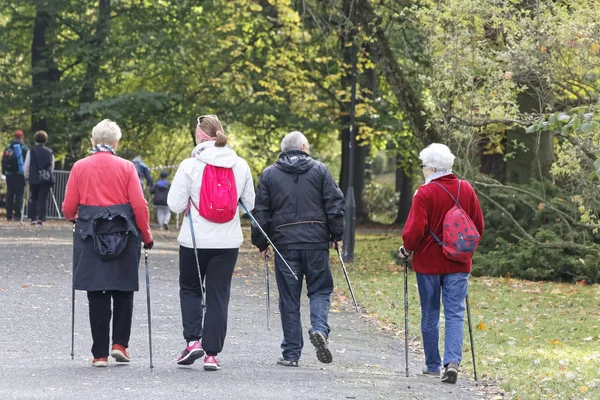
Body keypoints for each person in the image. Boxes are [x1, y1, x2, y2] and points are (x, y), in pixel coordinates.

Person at [62, 119, 154, 367]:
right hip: (124, 235)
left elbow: (69, 207)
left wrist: (74, 217)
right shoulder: (127, 167)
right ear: (116, 142)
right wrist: (146, 235)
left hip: (91, 234)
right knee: (123, 288)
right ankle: (120, 344)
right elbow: (139, 205)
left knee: (97, 291)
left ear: (93, 141)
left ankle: (99, 354)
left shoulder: (80, 167)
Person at [167, 114, 255, 371]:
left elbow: (174, 204)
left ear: (199, 136)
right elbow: (250, 205)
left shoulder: (189, 165)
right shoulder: (240, 165)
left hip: (194, 241)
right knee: (218, 295)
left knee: (191, 289)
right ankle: (212, 355)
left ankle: (193, 342)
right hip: (227, 242)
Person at [251, 131, 345, 367]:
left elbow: (261, 210)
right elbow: (334, 204)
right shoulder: (320, 170)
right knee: (320, 289)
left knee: (289, 298)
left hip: (285, 245)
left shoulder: (270, 174)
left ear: (284, 150)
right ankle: (320, 328)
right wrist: (336, 234)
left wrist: (261, 242)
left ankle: (291, 353)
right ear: (303, 147)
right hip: (315, 242)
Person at [398, 143, 484, 384]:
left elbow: (414, 232)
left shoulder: (424, 193)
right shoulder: (466, 189)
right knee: (456, 312)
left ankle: (433, 365)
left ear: (433, 168)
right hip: (458, 262)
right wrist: (465, 250)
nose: (423, 171)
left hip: (428, 264)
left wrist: (407, 250)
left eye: (424, 167)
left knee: (430, 313)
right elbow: (478, 226)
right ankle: (452, 362)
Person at [24, 130, 55, 225]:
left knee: (33, 197)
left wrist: (26, 175)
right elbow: (52, 165)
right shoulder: (49, 152)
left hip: (34, 178)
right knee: (43, 198)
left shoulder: (31, 151)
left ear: (35, 139)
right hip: (46, 178)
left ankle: (33, 217)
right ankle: (41, 218)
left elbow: (27, 165)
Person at [2, 130, 28, 221]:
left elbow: (3, 161)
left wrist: (3, 173)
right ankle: (17, 215)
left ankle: (9, 215)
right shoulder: (24, 148)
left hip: (9, 174)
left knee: (10, 194)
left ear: (14, 136)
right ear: (22, 137)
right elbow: (27, 162)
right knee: (19, 195)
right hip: (21, 175)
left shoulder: (8, 147)